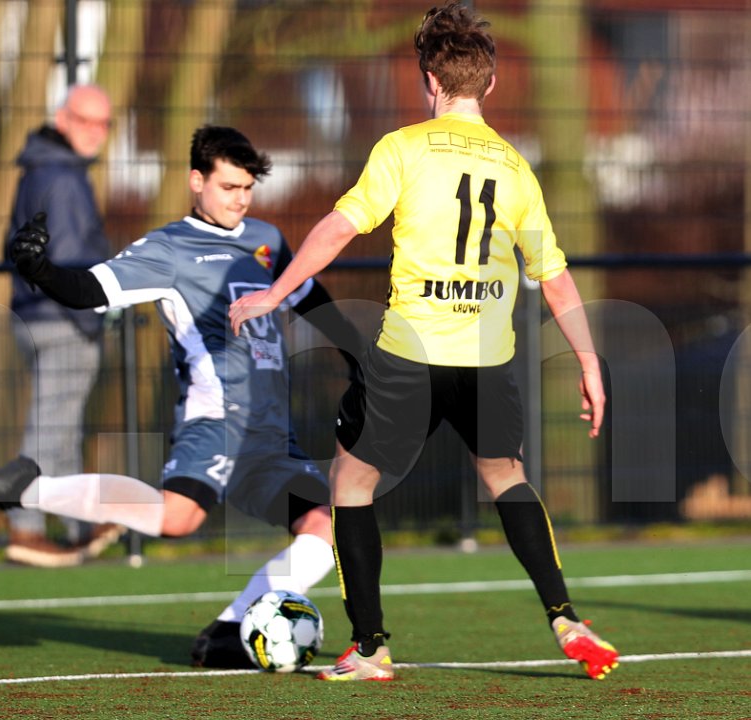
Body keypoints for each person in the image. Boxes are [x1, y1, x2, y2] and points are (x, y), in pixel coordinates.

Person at [229, 3, 620, 682]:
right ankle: (565, 616)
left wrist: (274, 292)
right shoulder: (516, 168)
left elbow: (339, 226)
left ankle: (370, 648)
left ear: (429, 81)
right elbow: (554, 278)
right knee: (506, 478)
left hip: (409, 355)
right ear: (489, 83)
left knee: (350, 483)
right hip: (487, 360)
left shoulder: (403, 148)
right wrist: (588, 361)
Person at [0, 125, 363, 669]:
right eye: (228, 187)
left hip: (272, 434)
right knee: (176, 519)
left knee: (323, 528)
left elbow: (309, 298)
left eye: (247, 188)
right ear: (196, 181)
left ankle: (230, 631)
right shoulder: (168, 249)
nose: (240, 199)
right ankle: (30, 488)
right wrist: (40, 270)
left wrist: (357, 354)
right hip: (217, 421)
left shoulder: (266, 239)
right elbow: (91, 290)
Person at [5, 83, 124, 568]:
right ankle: (26, 528)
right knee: (51, 426)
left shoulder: (38, 170)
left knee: (62, 425)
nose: (95, 131)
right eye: (85, 120)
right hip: (63, 318)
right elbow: (73, 258)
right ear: (61, 118)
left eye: (104, 122)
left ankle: (79, 525)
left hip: (34, 314)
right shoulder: (65, 178)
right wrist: (95, 313)